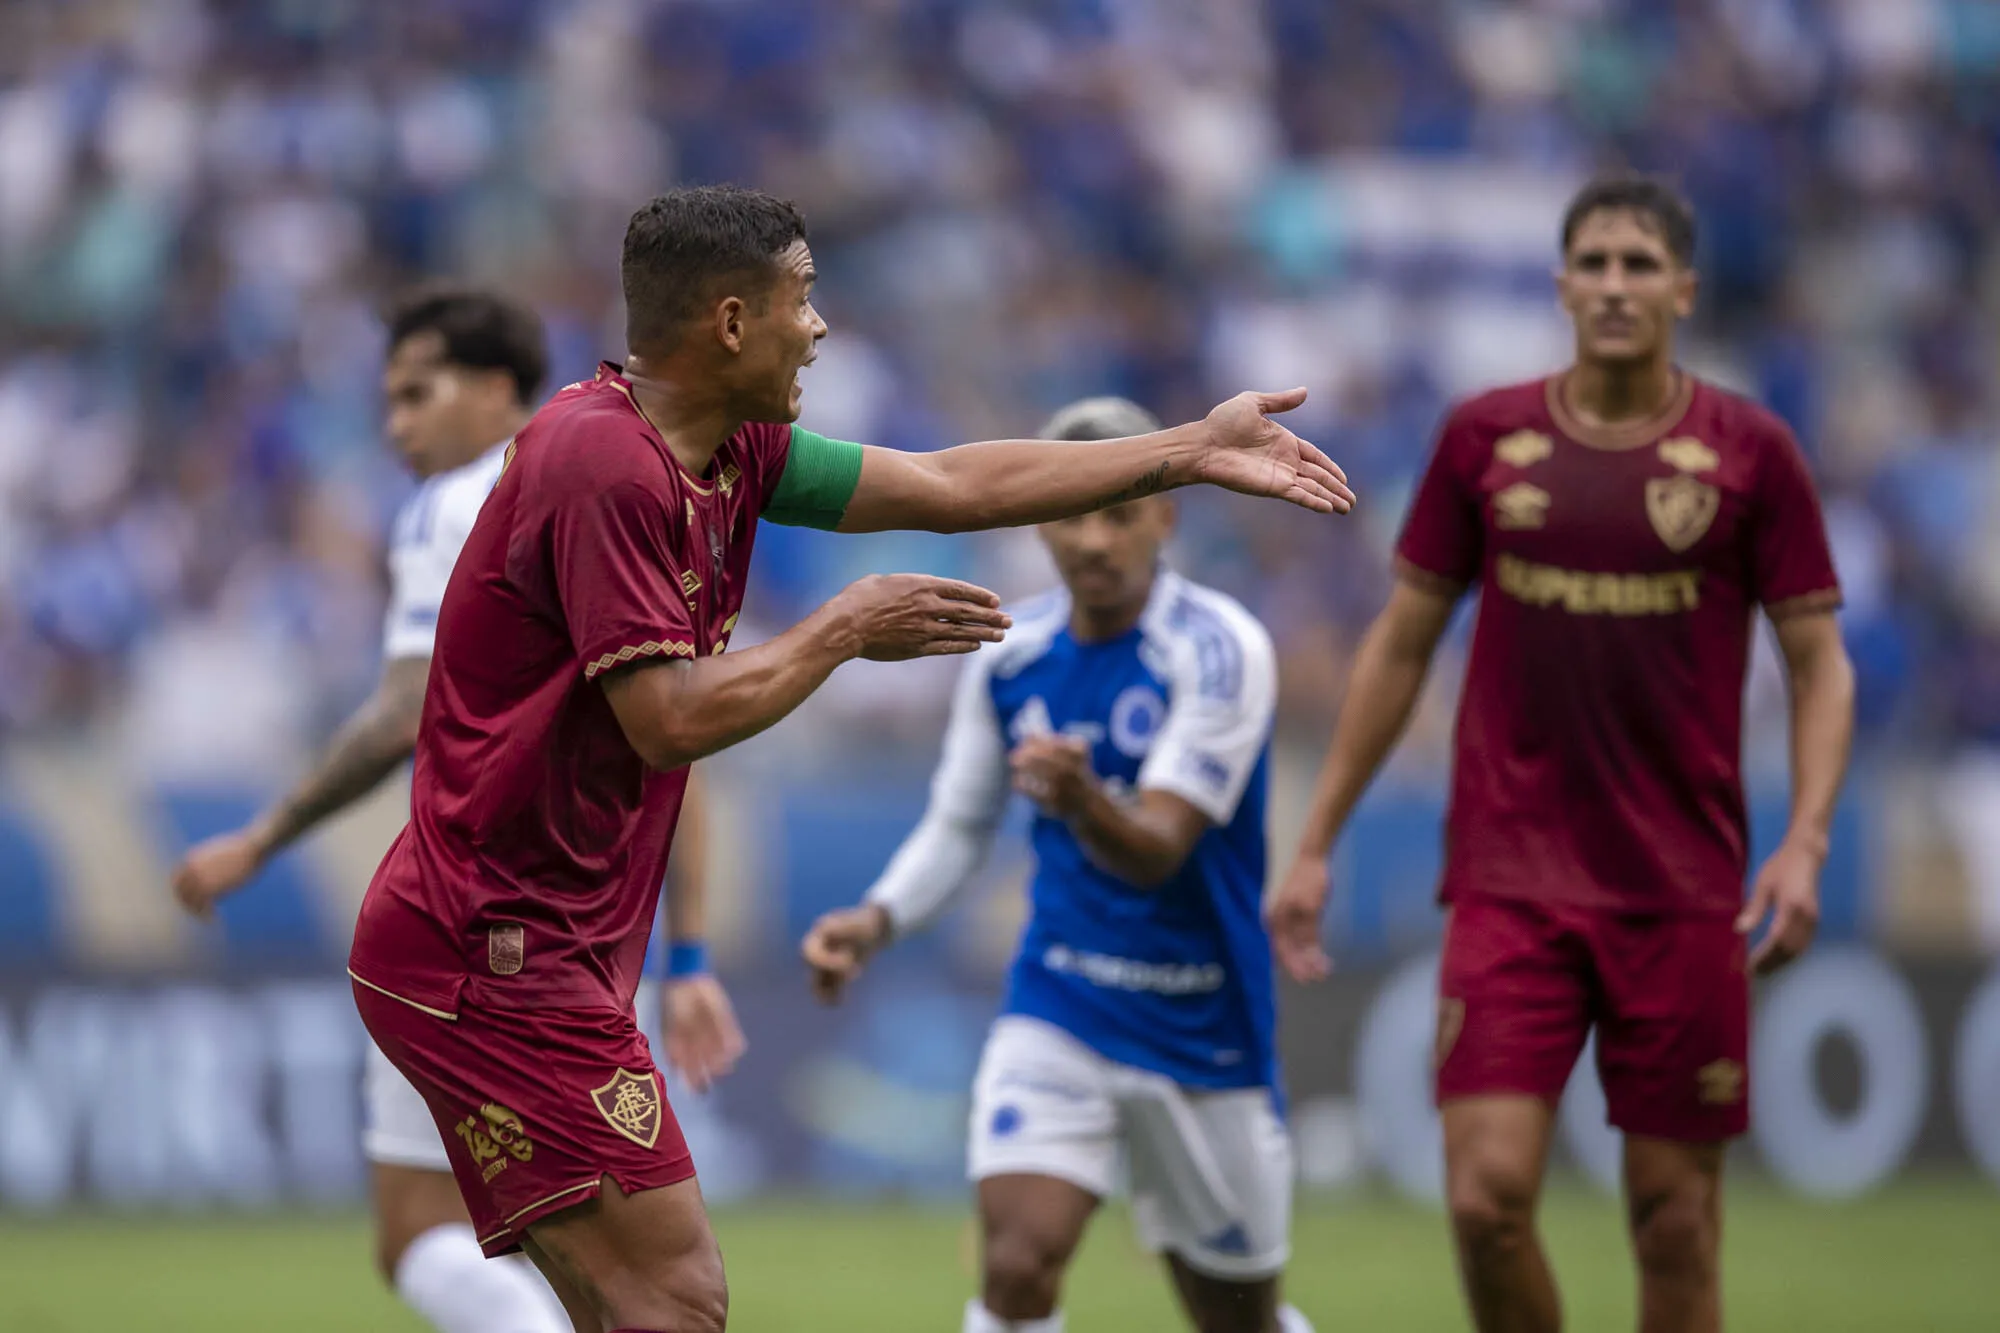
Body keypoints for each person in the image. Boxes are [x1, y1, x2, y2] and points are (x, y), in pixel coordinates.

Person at [344, 184, 1352, 1333]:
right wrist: (842, 627)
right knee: (673, 1298)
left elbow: (951, 485)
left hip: (534, 942)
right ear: (732, 322)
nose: (818, 328)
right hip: (489, 951)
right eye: (802, 300)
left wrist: (1189, 451)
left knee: (626, 1307)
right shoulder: (601, 463)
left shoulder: (735, 449)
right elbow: (666, 720)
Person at [1265, 176, 1855, 1333]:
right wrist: (1316, 841)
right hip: (1507, 881)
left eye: (1639, 264)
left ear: (1683, 288)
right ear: (1558, 285)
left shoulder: (1750, 454)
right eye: (1592, 262)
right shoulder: (1483, 438)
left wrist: (1805, 843)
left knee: (1672, 1223)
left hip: (1681, 889)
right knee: (1484, 1199)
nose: (1614, 285)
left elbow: (1818, 664)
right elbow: (1398, 646)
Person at [170, 289, 744, 1333]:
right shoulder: (629, 484)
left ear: (492, 390)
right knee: (611, 1270)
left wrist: (258, 839)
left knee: (431, 1235)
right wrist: (690, 955)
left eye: (414, 394)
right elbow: (675, 743)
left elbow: (401, 710)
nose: (396, 426)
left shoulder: (466, 500)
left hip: (473, 934)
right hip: (598, 941)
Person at [801, 396, 1315, 1333]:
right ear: (1039, 523)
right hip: (1062, 1000)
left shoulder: (1220, 649)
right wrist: (873, 920)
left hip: (1203, 1016)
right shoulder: (1010, 657)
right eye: (1075, 513)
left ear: (1166, 514)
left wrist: (1081, 799)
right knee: (1017, 1261)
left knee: (1236, 1314)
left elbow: (1159, 849)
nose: (1095, 540)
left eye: (1121, 511)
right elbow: (960, 827)